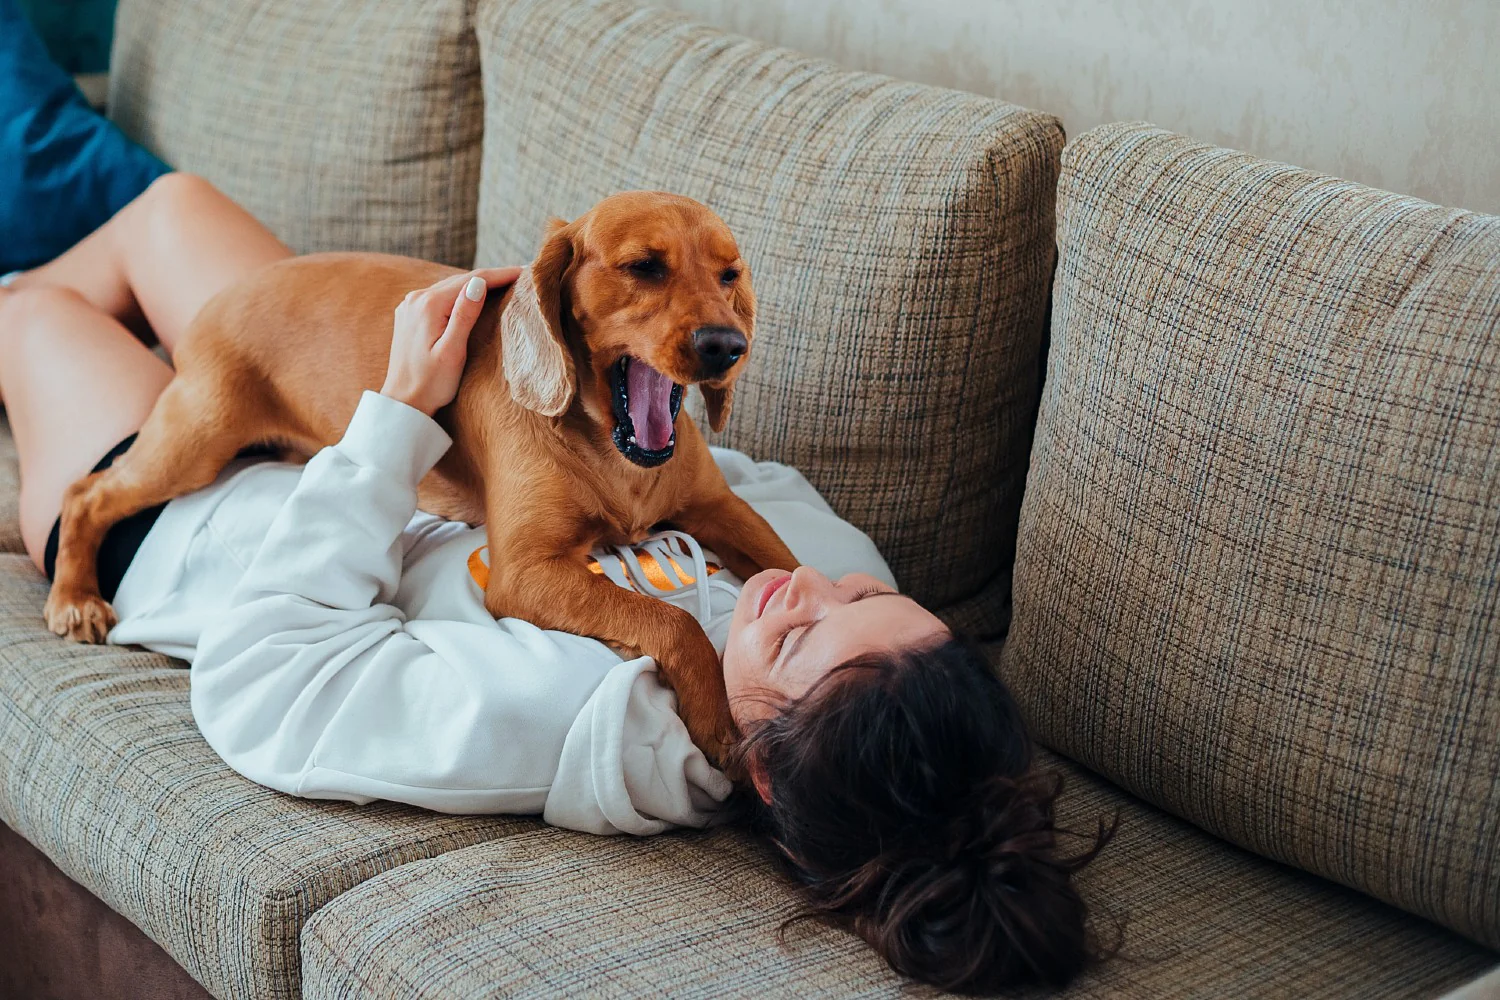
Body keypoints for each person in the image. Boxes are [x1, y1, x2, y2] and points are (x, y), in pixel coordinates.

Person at [0, 174, 1114, 993]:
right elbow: (744, 495)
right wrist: (547, 371)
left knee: (34, 310)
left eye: (799, 635)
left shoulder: (576, 721)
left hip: (195, 530)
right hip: (357, 407)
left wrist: (396, 412)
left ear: (761, 763)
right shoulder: (855, 631)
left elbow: (263, 680)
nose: (811, 588)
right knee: (173, 207)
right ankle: (147, 380)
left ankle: (62, 498)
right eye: (870, 596)